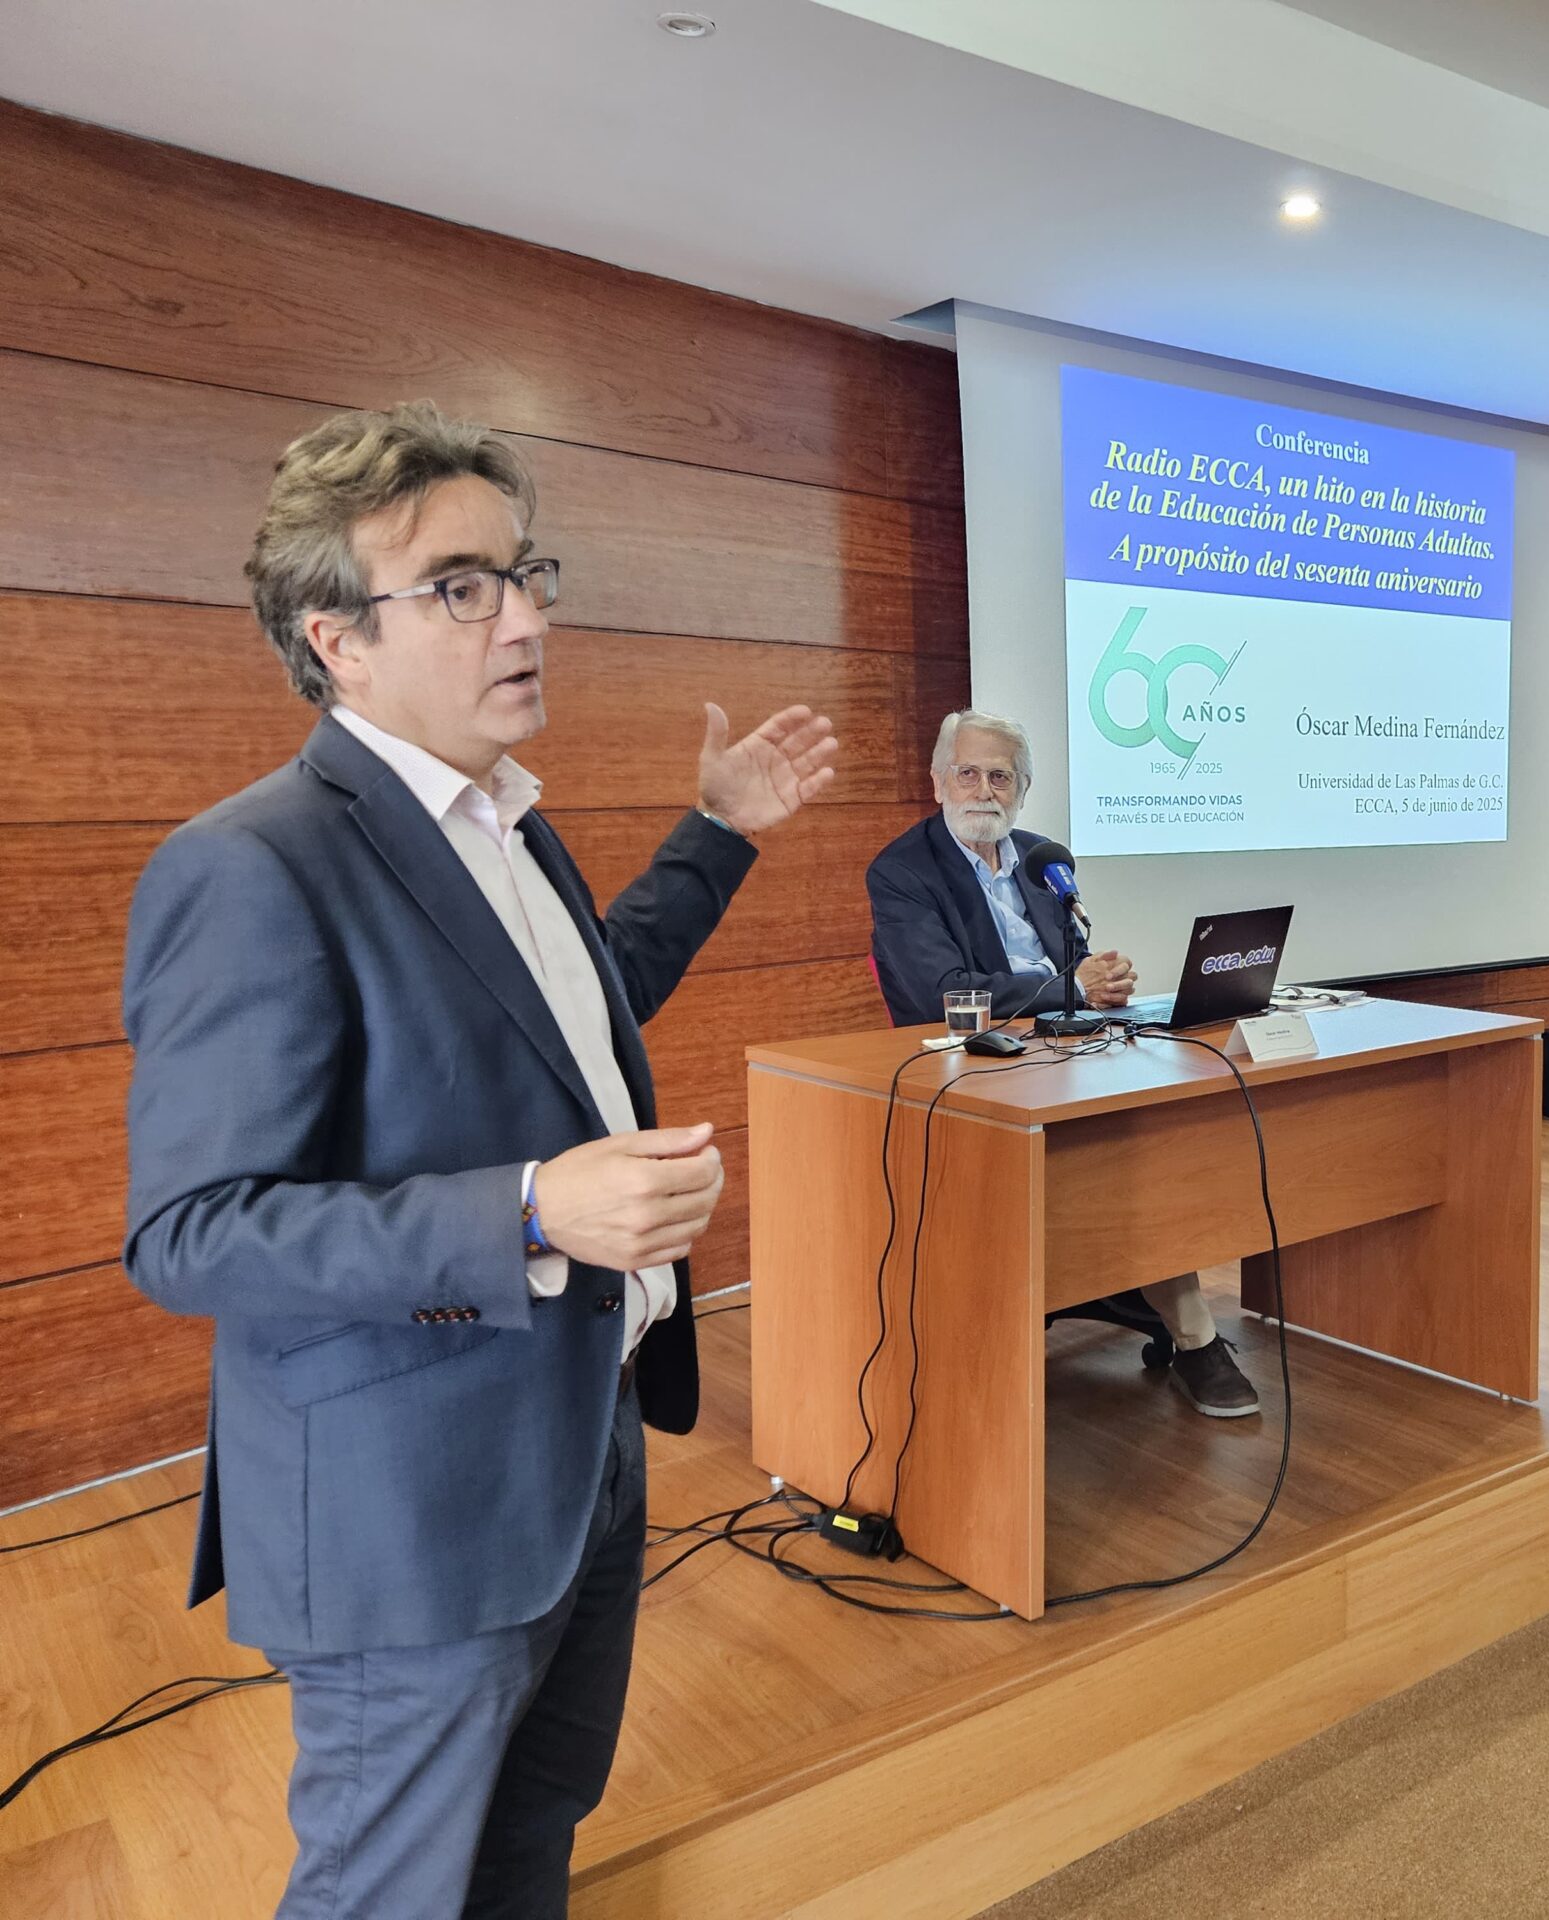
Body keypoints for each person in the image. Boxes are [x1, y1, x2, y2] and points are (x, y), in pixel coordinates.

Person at [121, 400, 838, 1920]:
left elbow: (575, 1015)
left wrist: (718, 832)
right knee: (394, 1889)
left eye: (521, 574)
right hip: (412, 1503)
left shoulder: (505, 823)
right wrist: (528, 1210)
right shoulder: (249, 865)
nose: (521, 619)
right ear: (338, 640)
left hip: (580, 1442)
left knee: (529, 1838)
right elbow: (191, 1232)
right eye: (458, 587)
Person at [865, 709, 1260, 1416]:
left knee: (1164, 1116)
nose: (984, 790)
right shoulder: (902, 871)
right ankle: (1195, 1336)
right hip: (971, 1071)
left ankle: (1146, 1273)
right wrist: (1070, 987)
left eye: (1001, 777)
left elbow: (1073, 960)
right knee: (1126, 1146)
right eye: (968, 773)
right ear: (937, 782)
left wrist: (1100, 981)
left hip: (1067, 1046)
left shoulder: (1044, 858)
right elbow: (941, 992)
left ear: (1023, 790)